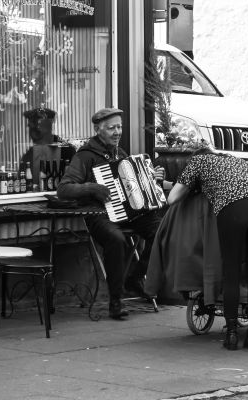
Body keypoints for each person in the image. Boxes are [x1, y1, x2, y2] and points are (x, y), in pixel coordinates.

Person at [57, 107, 165, 320]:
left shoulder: (121, 154)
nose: (117, 132)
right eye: (111, 128)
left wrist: (153, 178)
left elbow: (135, 186)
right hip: (99, 214)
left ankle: (135, 278)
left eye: (119, 127)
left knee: (162, 230)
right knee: (116, 240)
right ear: (98, 129)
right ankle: (115, 301)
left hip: (128, 213)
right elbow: (63, 189)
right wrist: (91, 188)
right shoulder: (86, 156)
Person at [167, 146, 248, 350]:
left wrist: (194, 188)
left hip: (233, 207)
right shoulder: (232, 159)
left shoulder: (197, 163)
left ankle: (232, 335)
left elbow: (172, 198)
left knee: (231, 272)